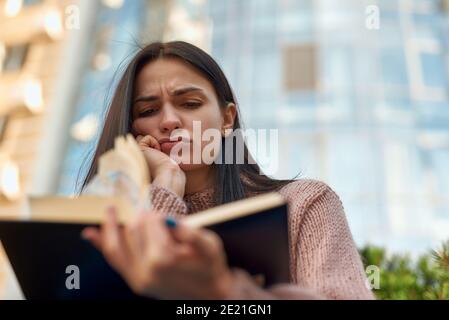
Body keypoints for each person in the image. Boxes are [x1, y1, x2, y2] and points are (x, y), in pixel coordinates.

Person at [80, 41, 374, 300]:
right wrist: (166, 184)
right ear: (131, 132)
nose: (169, 120)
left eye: (190, 103)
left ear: (226, 119)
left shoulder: (304, 203)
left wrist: (225, 289)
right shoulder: (106, 230)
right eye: (147, 111)